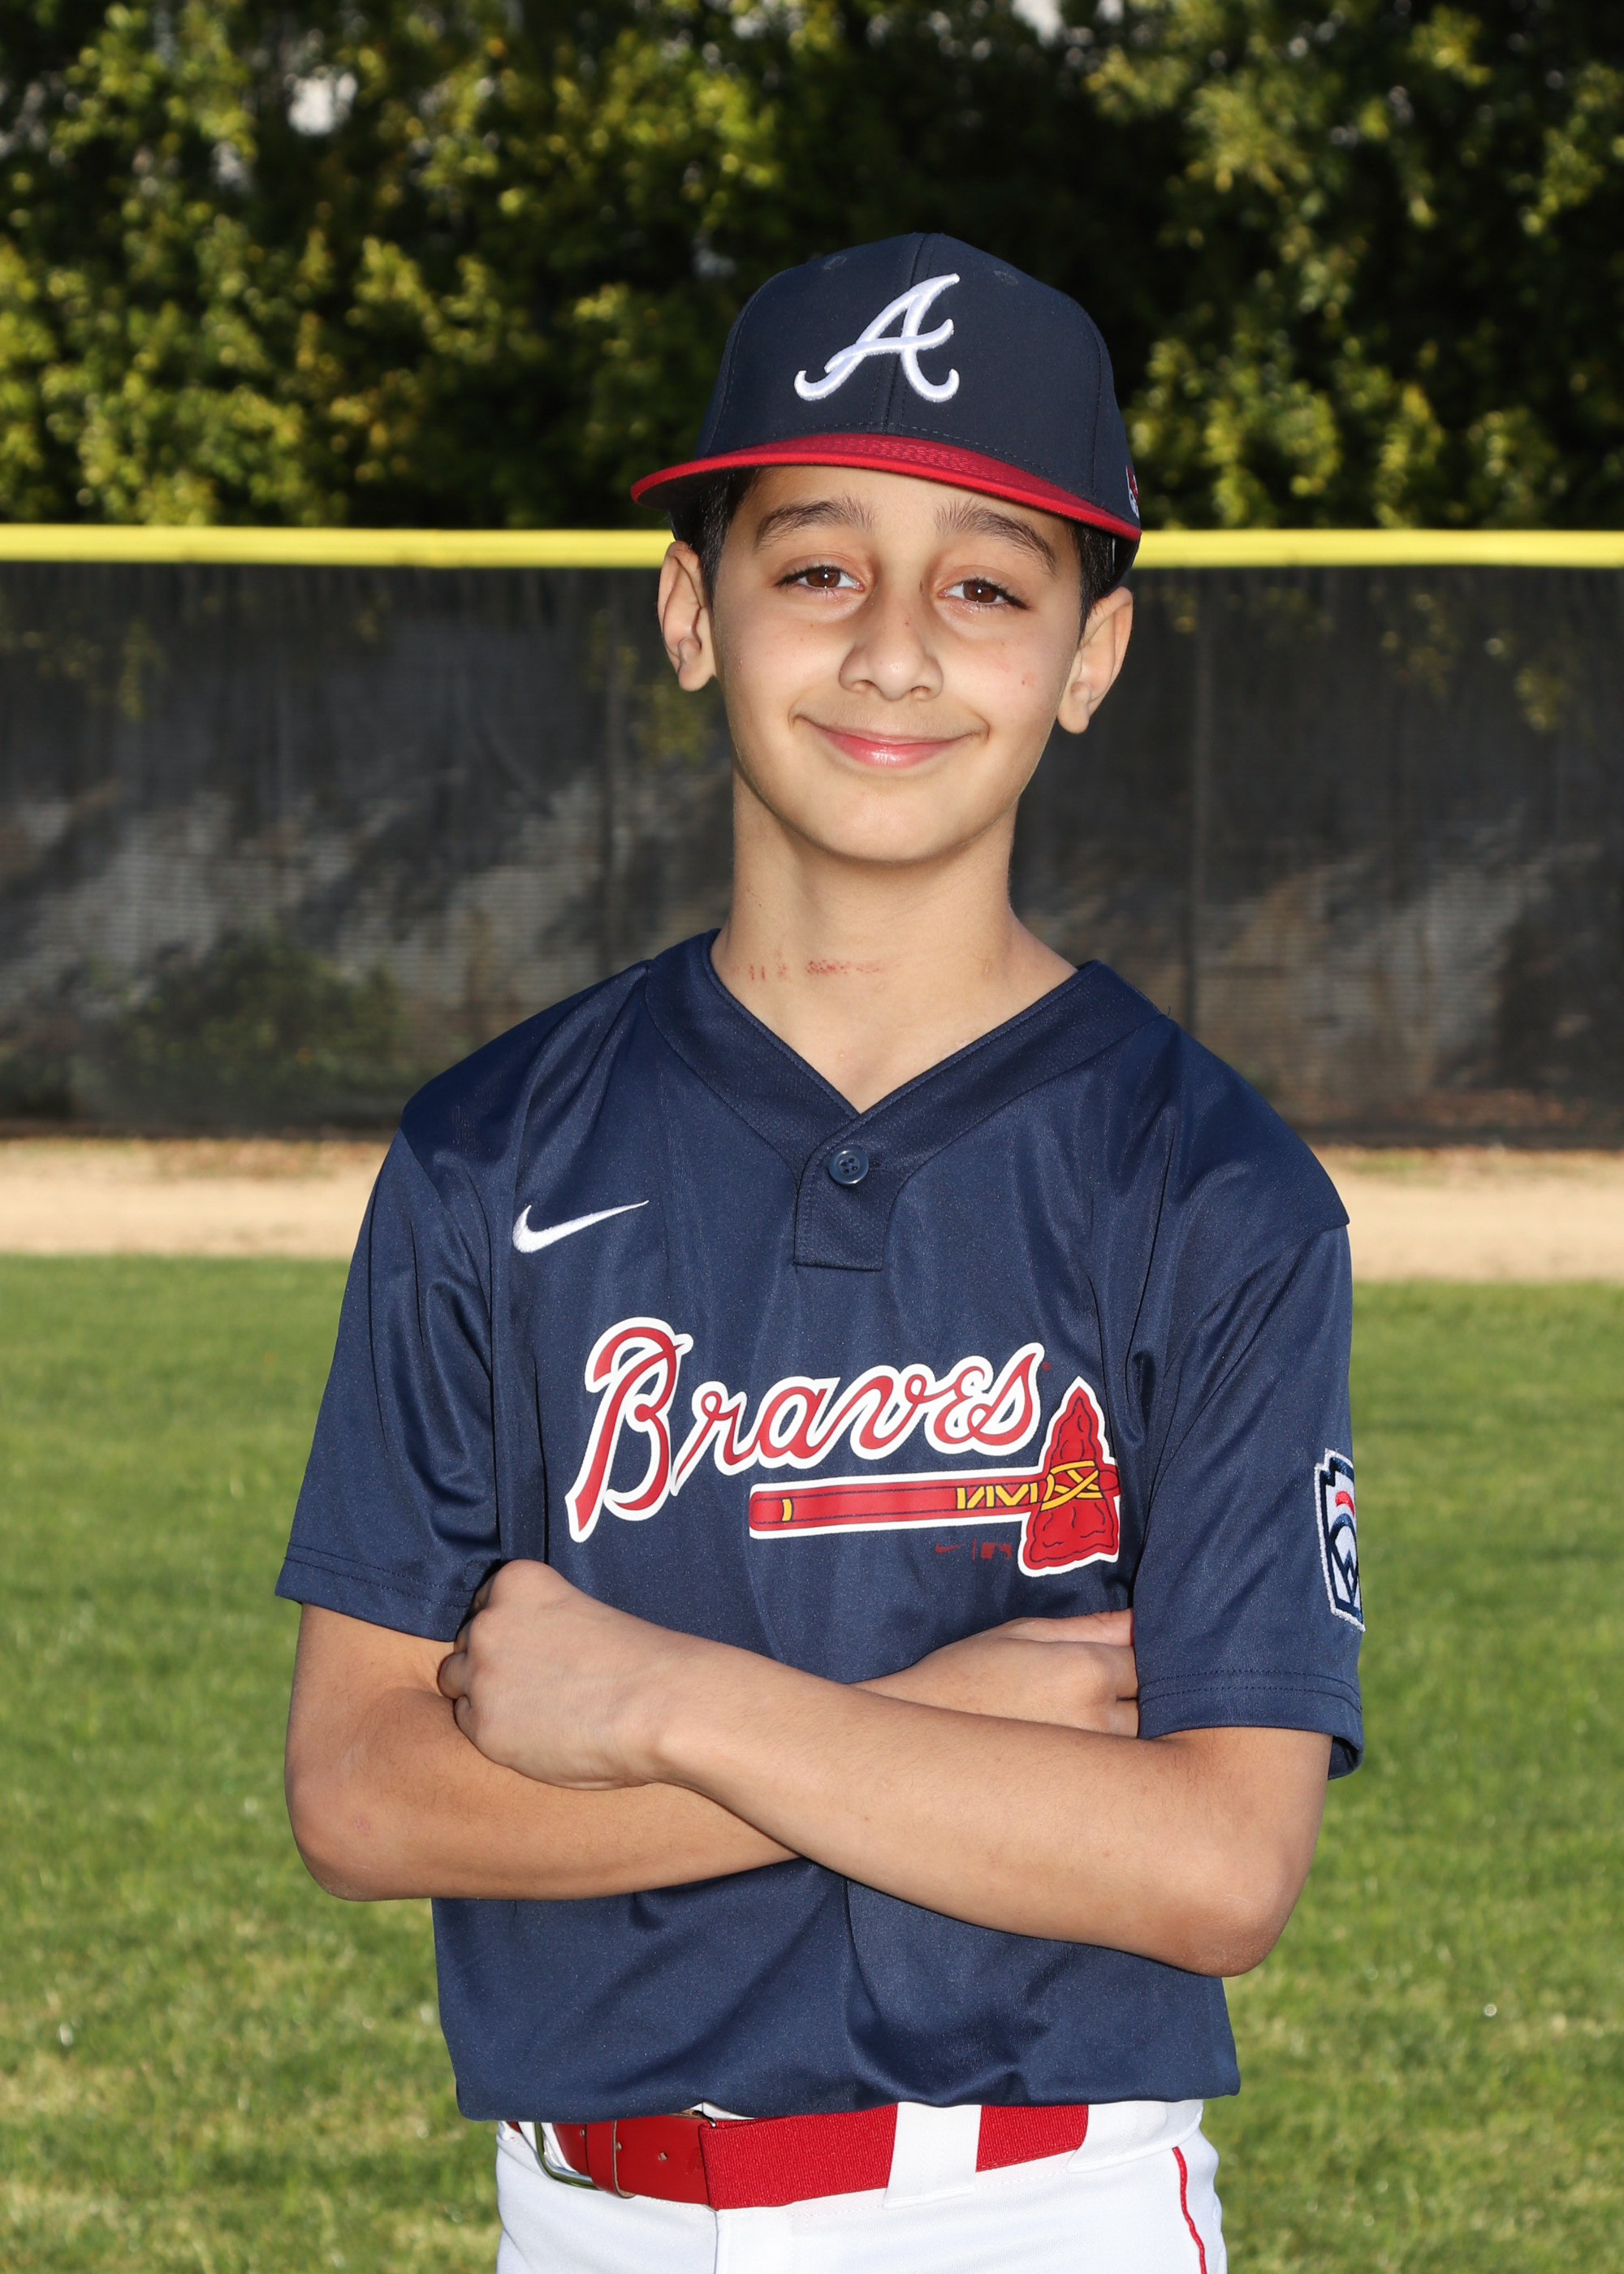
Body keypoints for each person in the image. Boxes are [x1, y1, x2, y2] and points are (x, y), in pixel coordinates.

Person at [279, 234, 1363, 2274]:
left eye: (985, 586)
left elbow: (1218, 1864)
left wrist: (664, 1698)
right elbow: (359, 1787)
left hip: (1040, 2207)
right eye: (816, 567)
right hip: (586, 2217)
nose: (891, 651)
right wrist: (934, 1727)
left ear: (1092, 654)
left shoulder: (1211, 1185)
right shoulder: (487, 1154)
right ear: (692, 610)